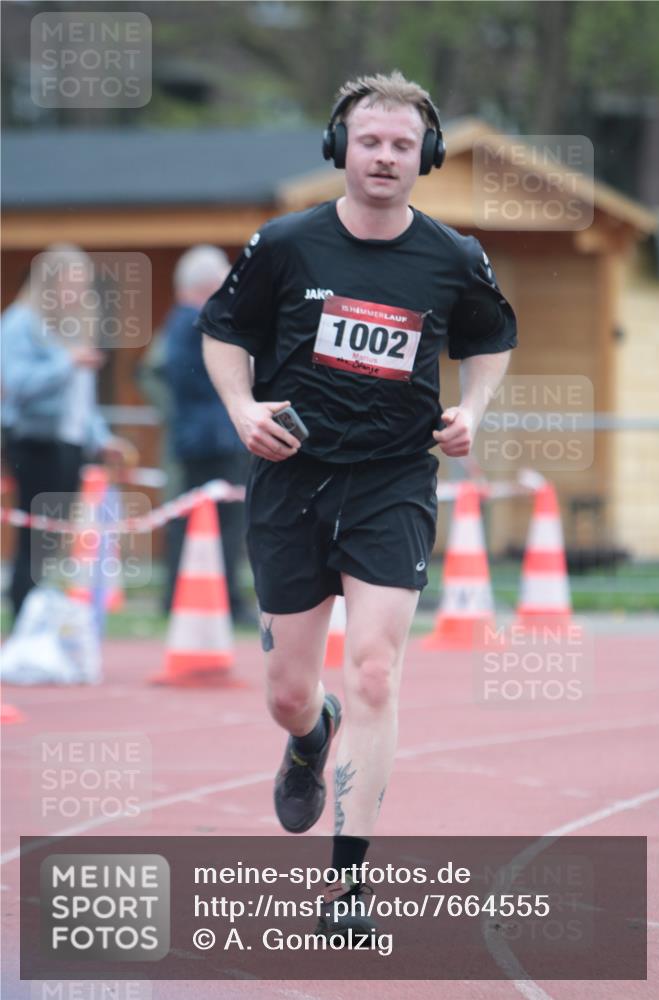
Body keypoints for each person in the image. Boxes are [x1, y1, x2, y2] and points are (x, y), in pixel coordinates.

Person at [198, 71, 517, 937]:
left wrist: (472, 410)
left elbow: (491, 338)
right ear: (340, 148)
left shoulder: (454, 257)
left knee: (375, 670)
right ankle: (311, 737)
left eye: (401, 144)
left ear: (426, 157)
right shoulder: (285, 244)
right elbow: (222, 330)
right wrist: (241, 408)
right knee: (287, 692)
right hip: (292, 477)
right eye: (369, 141)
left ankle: (347, 888)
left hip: (392, 480)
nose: (384, 157)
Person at [1, 245, 137, 620]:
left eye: (81, 285)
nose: (77, 293)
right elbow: (16, 383)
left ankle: (40, 614)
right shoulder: (20, 323)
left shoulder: (71, 329)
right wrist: (67, 362)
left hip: (70, 444)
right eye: (70, 284)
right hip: (34, 442)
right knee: (35, 536)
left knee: (54, 537)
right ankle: (24, 614)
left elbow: (83, 402)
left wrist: (101, 438)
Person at [161, 245, 254, 624]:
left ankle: (183, 596)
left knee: (196, 521)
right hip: (212, 439)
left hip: (200, 438)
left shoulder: (180, 322)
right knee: (222, 524)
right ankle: (226, 600)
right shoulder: (196, 322)